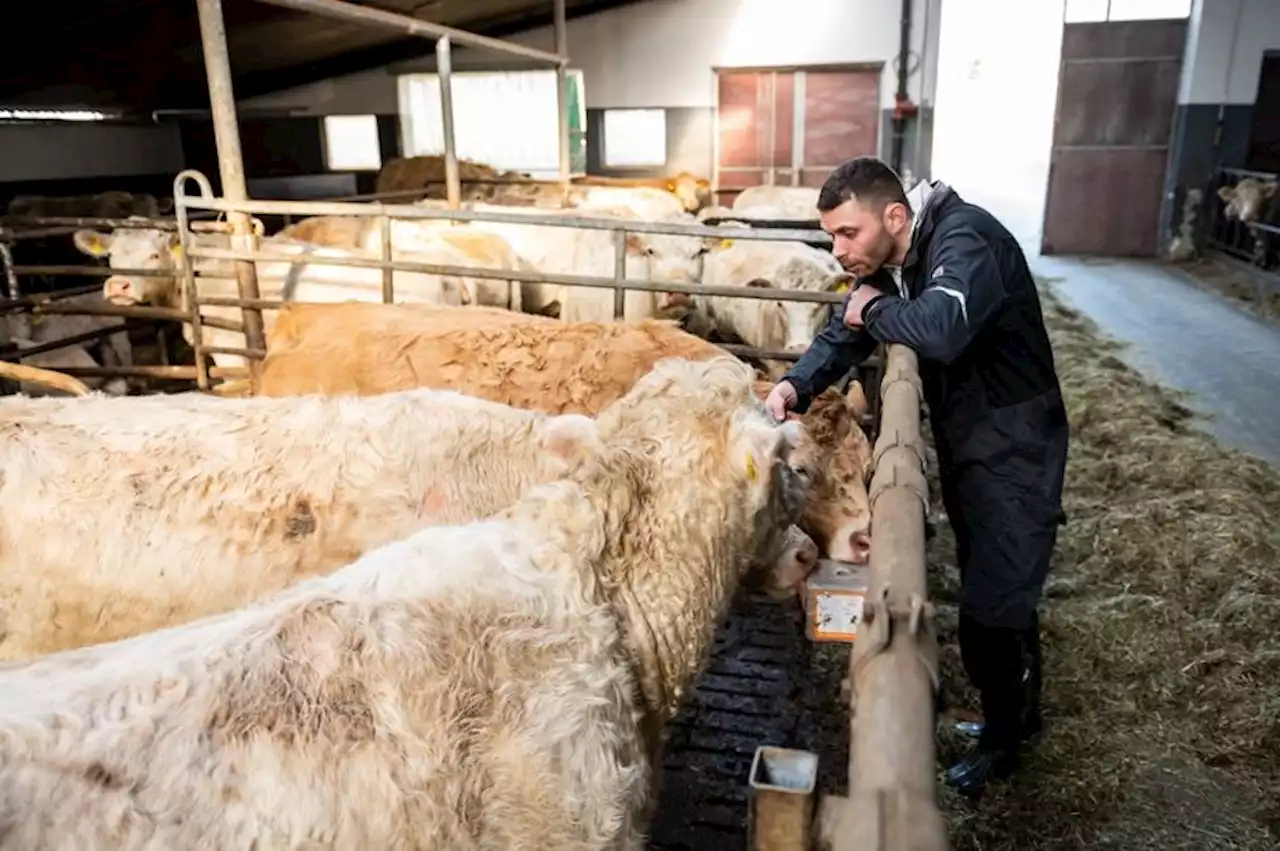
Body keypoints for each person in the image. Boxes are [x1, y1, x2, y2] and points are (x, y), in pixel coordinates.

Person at [764, 156, 1069, 798]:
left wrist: (873, 312)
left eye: (848, 234)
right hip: (976, 437)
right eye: (831, 237)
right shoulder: (901, 260)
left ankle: (1005, 745)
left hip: (1015, 442)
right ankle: (1016, 713)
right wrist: (794, 384)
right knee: (993, 574)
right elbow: (846, 331)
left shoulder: (965, 239)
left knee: (994, 601)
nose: (838, 249)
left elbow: (943, 329)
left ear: (895, 216)